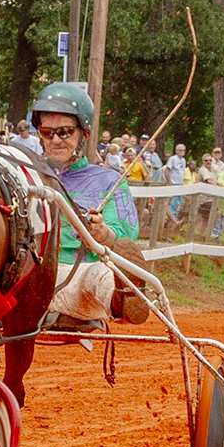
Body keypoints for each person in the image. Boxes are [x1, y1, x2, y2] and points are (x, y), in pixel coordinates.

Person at [29, 81, 149, 327]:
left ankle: (122, 298)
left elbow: (126, 233)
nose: (55, 140)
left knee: (98, 276)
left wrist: (104, 233)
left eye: (64, 132)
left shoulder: (109, 181)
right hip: (29, 275)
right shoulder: (26, 175)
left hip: (78, 274)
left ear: (83, 133)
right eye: (47, 133)